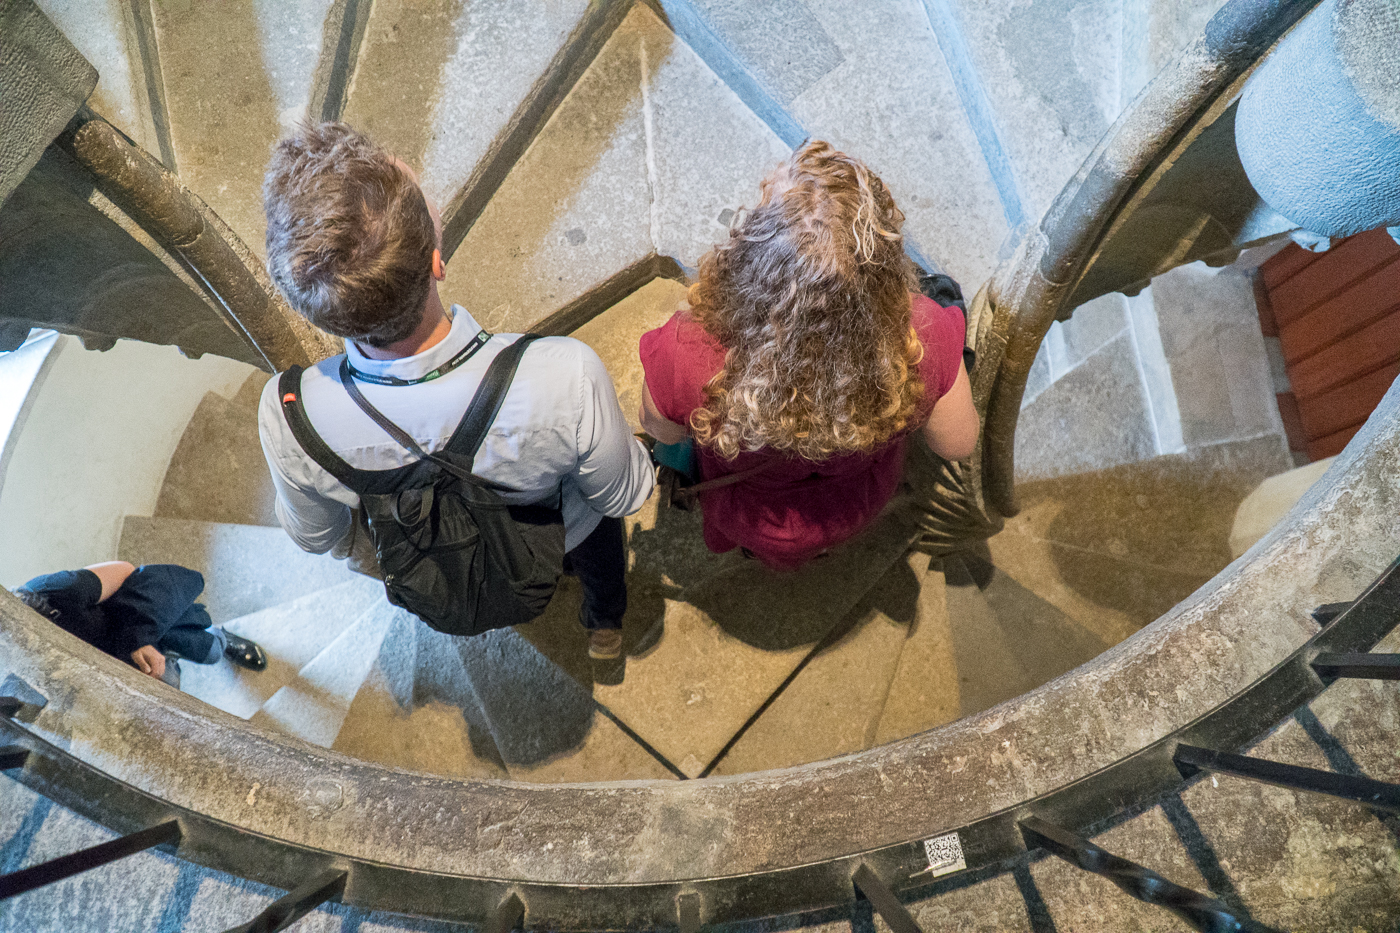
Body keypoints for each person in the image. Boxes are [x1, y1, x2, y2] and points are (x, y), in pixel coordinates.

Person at [257, 122, 654, 660]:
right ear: (436, 264)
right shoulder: (564, 375)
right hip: (561, 530)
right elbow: (623, 494)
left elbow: (319, 537)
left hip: (429, 551)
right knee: (598, 540)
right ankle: (604, 623)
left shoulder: (291, 416)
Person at [638, 140, 979, 570]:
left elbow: (661, 431)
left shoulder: (687, 354)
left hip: (755, 514)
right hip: (850, 504)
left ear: (752, 261)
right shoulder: (922, 339)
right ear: (886, 269)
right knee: (946, 290)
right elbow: (957, 443)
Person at [13, 561, 267, 688]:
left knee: (210, 651)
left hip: (146, 630)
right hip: (122, 667)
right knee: (169, 684)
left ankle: (219, 638)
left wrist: (138, 637)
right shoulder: (25, 668)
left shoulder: (55, 594)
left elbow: (129, 571)